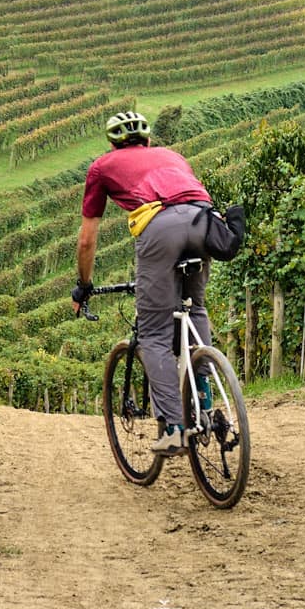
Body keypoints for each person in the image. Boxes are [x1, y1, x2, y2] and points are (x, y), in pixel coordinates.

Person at [72, 110, 213, 453]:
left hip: (161, 229)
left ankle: (175, 429)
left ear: (112, 144)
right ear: (148, 141)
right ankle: (207, 405)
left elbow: (87, 240)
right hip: (206, 221)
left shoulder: (102, 166)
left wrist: (84, 284)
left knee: (153, 334)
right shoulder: (174, 156)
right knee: (195, 310)